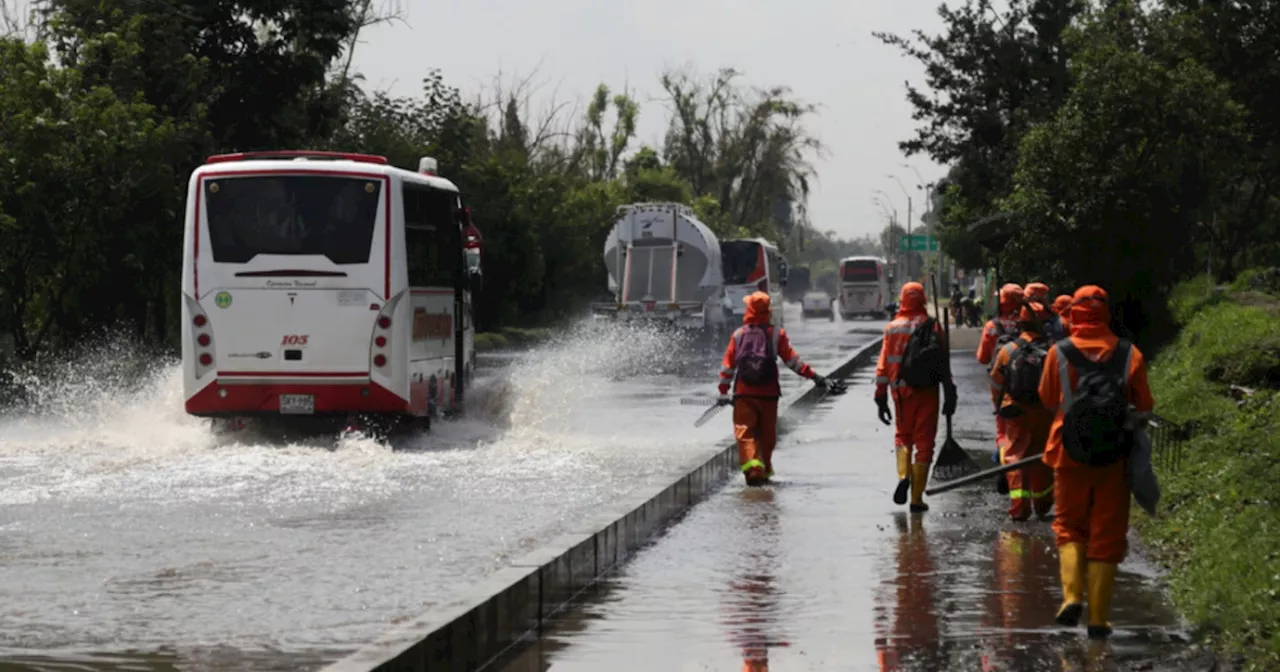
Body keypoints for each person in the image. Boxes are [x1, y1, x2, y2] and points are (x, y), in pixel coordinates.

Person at [1038, 286, 1154, 639]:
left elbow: (1046, 399)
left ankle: (1072, 597)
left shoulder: (1059, 352)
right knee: (1107, 534)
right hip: (1114, 456)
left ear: (1073, 313)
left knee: (1070, 526)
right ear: (1105, 314)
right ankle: (1099, 620)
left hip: (1068, 452)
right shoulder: (1129, 353)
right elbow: (1145, 405)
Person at [717, 291, 837, 486]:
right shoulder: (776, 334)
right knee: (767, 435)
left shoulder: (738, 335)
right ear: (768, 311)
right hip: (769, 394)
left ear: (749, 310)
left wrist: (723, 391)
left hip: (744, 394)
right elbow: (793, 362)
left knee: (745, 433)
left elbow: (728, 366)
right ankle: (763, 468)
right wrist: (815, 377)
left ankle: (753, 469)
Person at [874, 282, 957, 512]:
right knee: (924, 444)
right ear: (922, 299)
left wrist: (880, 396)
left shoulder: (892, 328)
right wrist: (950, 390)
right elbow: (943, 363)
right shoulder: (934, 326)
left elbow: (883, 366)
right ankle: (916, 499)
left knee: (903, 436)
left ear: (902, 299)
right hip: (928, 391)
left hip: (900, 392)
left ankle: (903, 476)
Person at [988, 301, 1055, 521]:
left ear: (1021, 323)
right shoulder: (1053, 350)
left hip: (1015, 410)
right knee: (1043, 456)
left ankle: (1019, 507)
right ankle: (1042, 503)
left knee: (1016, 456)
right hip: (1044, 411)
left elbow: (996, 381)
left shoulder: (1007, 350)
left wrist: (998, 405)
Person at [978, 283, 1025, 464]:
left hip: (1000, 385)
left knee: (1002, 429)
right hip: (1026, 384)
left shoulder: (992, 326)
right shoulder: (1029, 323)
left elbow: (982, 358)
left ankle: (1005, 466)